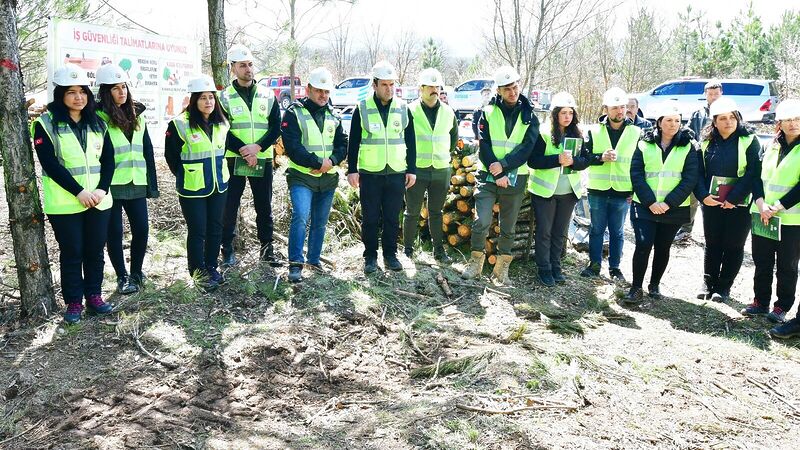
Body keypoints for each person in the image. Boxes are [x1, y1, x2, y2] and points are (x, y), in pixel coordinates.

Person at [31, 64, 115, 324]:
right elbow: (50, 164)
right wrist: (79, 192)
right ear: (60, 95)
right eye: (72, 92)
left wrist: (101, 189)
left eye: (83, 92)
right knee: (72, 252)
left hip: (99, 201)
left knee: (94, 251)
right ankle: (74, 302)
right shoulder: (45, 124)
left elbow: (109, 160)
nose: (79, 97)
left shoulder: (97, 122)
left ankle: (94, 296)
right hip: (66, 203)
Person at [461, 66, 539, 286]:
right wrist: (496, 171)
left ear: (519, 85)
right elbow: (483, 144)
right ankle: (475, 262)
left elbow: (527, 147)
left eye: (514, 87)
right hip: (487, 174)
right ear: (499, 91)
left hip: (515, 176)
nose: (512, 92)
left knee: (508, 226)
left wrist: (503, 167)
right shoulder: (486, 112)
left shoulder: (530, 116)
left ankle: (501, 269)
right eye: (506, 89)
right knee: (481, 220)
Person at [625, 101, 698, 303]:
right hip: (645, 205)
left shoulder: (689, 146)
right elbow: (636, 174)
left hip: (673, 208)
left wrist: (668, 203)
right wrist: (650, 202)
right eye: (668, 120)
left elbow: (690, 178)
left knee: (663, 247)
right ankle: (636, 288)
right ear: (659, 122)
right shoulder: (643, 143)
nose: (673, 124)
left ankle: (654, 285)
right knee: (643, 244)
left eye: (677, 121)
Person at [95, 63, 158, 295]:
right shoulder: (98, 118)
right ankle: (122, 276)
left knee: (142, 228)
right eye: (115, 88)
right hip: (110, 185)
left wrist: (151, 185)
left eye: (124, 87)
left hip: (136, 181)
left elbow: (147, 150)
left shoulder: (137, 115)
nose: (121, 92)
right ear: (105, 92)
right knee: (115, 233)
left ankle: (136, 271)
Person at [347, 61, 416, 273]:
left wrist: (411, 168)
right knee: (370, 218)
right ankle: (370, 257)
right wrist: (352, 169)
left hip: (396, 172)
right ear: (374, 85)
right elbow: (354, 141)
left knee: (391, 217)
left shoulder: (403, 108)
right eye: (384, 84)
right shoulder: (362, 108)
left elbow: (411, 140)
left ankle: (390, 254)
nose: (389, 89)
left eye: (391, 84)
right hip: (370, 173)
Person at [282, 67, 348, 282]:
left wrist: (332, 162)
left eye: (327, 91)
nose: (323, 95)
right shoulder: (294, 112)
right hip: (302, 176)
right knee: (301, 216)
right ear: (308, 89)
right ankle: (295, 264)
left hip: (327, 178)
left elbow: (343, 144)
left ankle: (314, 259)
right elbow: (292, 146)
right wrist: (317, 162)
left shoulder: (334, 115)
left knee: (320, 221)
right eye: (319, 90)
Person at [164, 75, 230, 291]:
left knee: (215, 228)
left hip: (219, 184)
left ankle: (211, 266)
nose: (208, 102)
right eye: (203, 98)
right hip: (193, 187)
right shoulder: (179, 124)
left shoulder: (222, 122)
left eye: (211, 97)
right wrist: (185, 174)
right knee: (198, 229)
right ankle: (197, 270)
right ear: (194, 100)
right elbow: (171, 157)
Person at [218, 44, 282, 267]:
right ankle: (227, 250)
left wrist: (257, 148)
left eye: (250, 64)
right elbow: (221, 130)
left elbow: (275, 128)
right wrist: (245, 151)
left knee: (264, 206)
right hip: (234, 159)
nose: (248, 69)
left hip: (262, 158)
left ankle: (267, 250)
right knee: (229, 206)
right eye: (243, 65)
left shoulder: (268, 95)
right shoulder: (223, 97)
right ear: (232, 68)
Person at [741, 99, 800, 337]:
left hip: (790, 219)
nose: (794, 124)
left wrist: (778, 206)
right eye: (789, 120)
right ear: (780, 123)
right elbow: (756, 177)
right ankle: (760, 301)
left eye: (797, 119)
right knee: (762, 260)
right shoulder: (770, 146)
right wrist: (761, 203)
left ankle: (781, 306)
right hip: (763, 215)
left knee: (787, 265)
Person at [693, 97, 760, 302]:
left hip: (739, 203)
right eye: (723, 118)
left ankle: (723, 287)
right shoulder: (705, 142)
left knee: (733, 245)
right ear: (714, 121)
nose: (729, 122)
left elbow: (753, 172)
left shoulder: (749, 140)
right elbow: (697, 173)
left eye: (732, 117)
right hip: (712, 203)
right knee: (712, 243)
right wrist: (704, 196)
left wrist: (734, 197)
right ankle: (708, 282)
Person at [527, 92, 589, 286]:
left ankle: (556, 266)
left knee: (560, 232)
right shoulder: (543, 133)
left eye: (570, 112)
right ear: (555, 114)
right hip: (545, 193)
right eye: (563, 112)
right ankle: (544, 269)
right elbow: (533, 161)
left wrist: (574, 161)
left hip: (568, 193)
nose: (567, 116)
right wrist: (557, 160)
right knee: (544, 231)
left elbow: (585, 160)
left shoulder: (578, 134)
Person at [580, 87, 641, 281]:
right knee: (596, 229)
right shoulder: (593, 130)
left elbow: (640, 164)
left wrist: (635, 190)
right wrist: (600, 157)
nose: (620, 111)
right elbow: (584, 157)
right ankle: (594, 265)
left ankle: (615, 268)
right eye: (615, 108)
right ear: (606, 109)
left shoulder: (637, 132)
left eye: (622, 107)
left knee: (617, 232)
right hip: (597, 189)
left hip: (623, 191)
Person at [403, 68, 458, 263]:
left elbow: (453, 139)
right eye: (430, 86)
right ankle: (408, 250)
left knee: (436, 212)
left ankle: (438, 251)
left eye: (437, 86)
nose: (434, 90)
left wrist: (443, 156)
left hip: (441, 169)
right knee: (412, 212)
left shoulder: (448, 111)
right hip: (417, 169)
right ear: (421, 88)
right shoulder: (410, 110)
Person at [675, 81, 724, 242]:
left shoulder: (729, 112)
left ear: (721, 93)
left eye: (716, 93)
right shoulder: (698, 113)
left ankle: (714, 234)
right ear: (705, 95)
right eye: (710, 94)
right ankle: (685, 230)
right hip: (698, 162)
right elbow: (689, 132)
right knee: (692, 198)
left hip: (719, 164)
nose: (713, 97)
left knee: (714, 199)